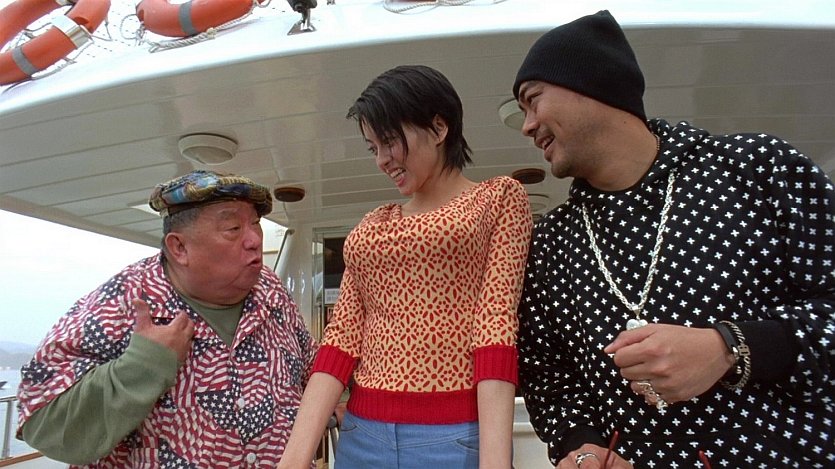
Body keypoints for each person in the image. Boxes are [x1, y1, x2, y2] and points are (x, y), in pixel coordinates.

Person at [512, 10, 835, 469]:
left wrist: (730, 348)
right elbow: (547, 374)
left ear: (591, 84)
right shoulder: (551, 243)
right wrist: (580, 446)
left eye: (533, 100)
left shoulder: (757, 169)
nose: (526, 125)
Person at [277, 65, 533, 469]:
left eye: (390, 141)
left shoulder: (498, 199)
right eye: (373, 148)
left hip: (455, 438)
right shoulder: (372, 225)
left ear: (439, 127)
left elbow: (496, 326)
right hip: (362, 436)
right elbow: (341, 339)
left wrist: (495, 462)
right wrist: (292, 460)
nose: (382, 160)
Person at [16, 170, 318, 468]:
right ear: (179, 248)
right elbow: (42, 425)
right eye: (233, 228)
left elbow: (310, 365)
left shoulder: (271, 289)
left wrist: (338, 401)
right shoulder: (122, 301)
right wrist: (142, 364)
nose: (253, 240)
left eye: (255, 224)